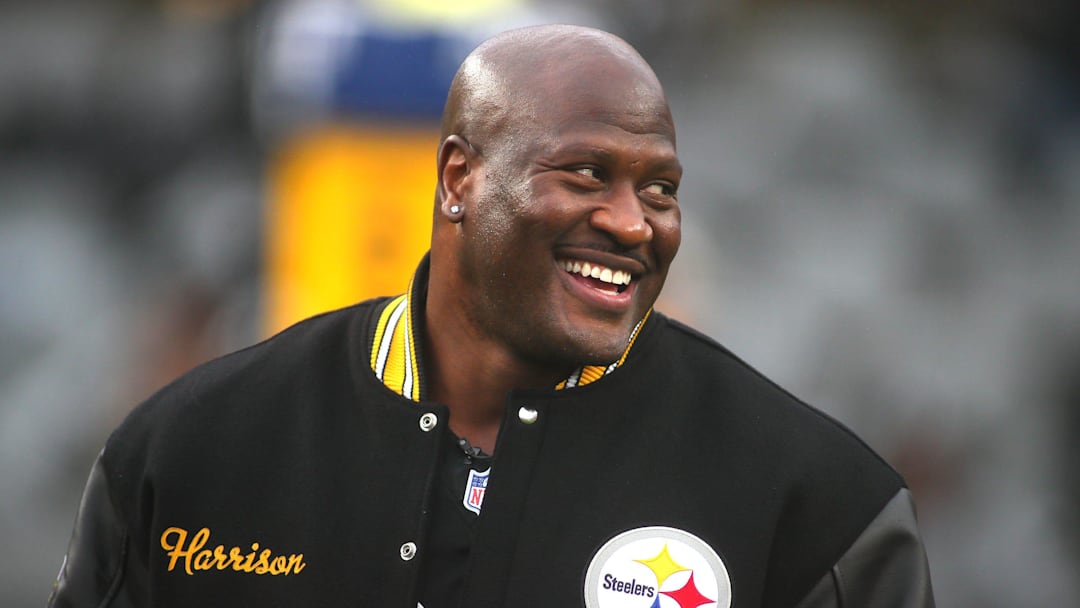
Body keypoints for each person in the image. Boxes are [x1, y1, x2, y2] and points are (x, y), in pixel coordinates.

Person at [49, 24, 934, 608]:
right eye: (585, 174)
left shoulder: (819, 507)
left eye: (659, 188)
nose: (632, 223)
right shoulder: (188, 451)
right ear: (457, 180)